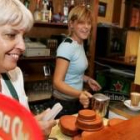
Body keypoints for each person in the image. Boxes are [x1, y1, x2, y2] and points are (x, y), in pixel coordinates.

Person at [0, 0, 56, 138]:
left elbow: (20, 120)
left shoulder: (15, 74)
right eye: (11, 35)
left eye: (23, 37)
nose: (23, 47)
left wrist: (32, 123)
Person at [52, 5, 101, 118]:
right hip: (63, 104)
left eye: (88, 23)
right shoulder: (67, 47)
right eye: (81, 23)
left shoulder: (79, 43)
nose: (86, 27)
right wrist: (80, 93)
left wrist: (87, 79)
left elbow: (72, 72)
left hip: (75, 101)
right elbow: (57, 82)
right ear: (71, 24)